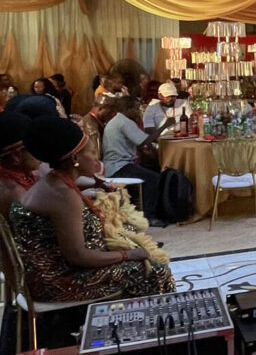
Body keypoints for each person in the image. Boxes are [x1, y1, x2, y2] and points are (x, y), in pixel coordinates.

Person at [10, 117, 174, 302]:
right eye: (92, 152)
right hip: (58, 282)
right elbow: (77, 256)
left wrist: (98, 183)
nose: (97, 159)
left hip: (53, 272)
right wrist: (127, 255)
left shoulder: (54, 180)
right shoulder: (63, 195)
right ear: (75, 158)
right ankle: (147, 317)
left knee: (128, 233)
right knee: (156, 270)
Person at [102, 97, 174, 225]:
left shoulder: (117, 120)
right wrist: (165, 125)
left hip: (114, 164)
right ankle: (149, 216)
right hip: (119, 166)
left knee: (153, 168)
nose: (138, 111)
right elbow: (146, 140)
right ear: (128, 109)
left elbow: (137, 142)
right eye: (135, 109)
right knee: (153, 178)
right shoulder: (125, 122)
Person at [0, 112, 40, 216]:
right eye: (35, 146)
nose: (41, 150)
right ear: (16, 156)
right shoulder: (18, 195)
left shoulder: (20, 175)